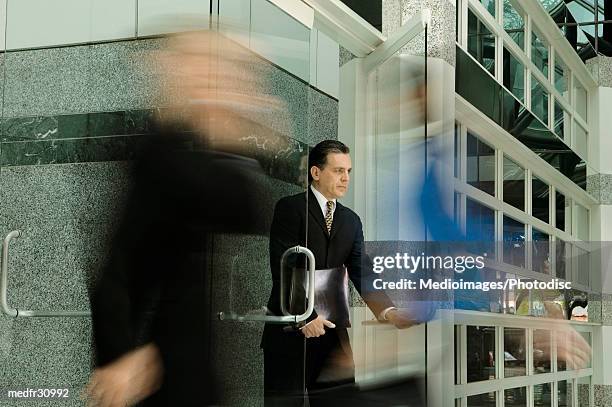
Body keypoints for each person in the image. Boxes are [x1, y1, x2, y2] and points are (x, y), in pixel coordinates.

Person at [86, 30, 287, 407]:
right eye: (216, 67)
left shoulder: (185, 147)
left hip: (180, 358)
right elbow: (117, 264)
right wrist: (122, 354)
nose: (225, 79)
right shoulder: (162, 152)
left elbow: (243, 211)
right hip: (159, 363)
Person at [261, 140, 412, 406]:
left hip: (332, 332)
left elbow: (361, 269)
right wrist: (305, 315)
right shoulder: (290, 208)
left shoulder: (351, 220)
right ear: (316, 173)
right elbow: (284, 266)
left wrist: (387, 310)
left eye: (349, 171)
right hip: (291, 329)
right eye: (338, 170)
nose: (345, 178)